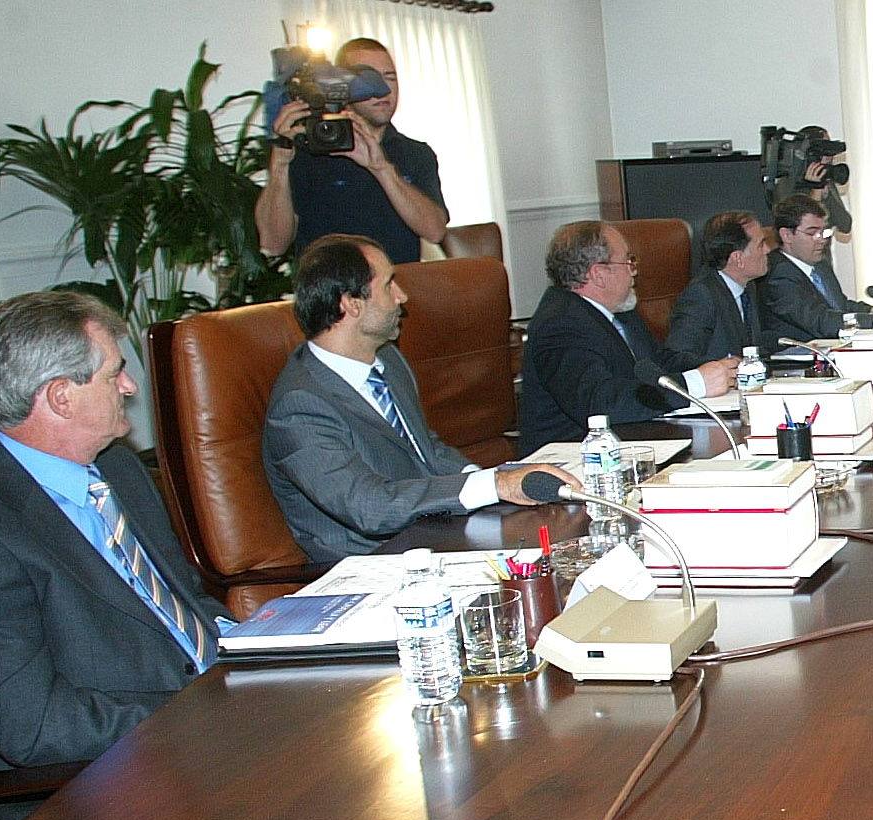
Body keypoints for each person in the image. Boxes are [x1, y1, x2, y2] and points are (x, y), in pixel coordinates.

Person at [0, 291, 234, 820]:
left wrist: (266, 651)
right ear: (60, 397)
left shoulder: (117, 470)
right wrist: (204, 714)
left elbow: (185, 606)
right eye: (114, 374)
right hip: (96, 801)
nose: (129, 387)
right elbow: (31, 727)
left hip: (201, 742)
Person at [263, 235, 576, 561]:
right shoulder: (300, 405)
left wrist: (499, 485)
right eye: (388, 285)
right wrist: (495, 485)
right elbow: (368, 507)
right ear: (351, 303)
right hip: (376, 565)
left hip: (436, 537)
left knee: (570, 544)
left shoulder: (388, 360)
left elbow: (427, 450)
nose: (402, 296)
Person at [518, 221, 737, 451]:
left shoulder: (620, 310)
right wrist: (693, 384)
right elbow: (599, 403)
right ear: (599, 274)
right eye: (628, 262)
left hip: (636, 441)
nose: (635, 271)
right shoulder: (560, 323)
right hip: (576, 461)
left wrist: (718, 368)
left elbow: (659, 362)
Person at [255, 37, 449, 265]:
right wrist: (279, 164)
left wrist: (382, 169)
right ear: (341, 86)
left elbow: (435, 231)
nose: (384, 89)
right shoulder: (308, 151)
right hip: (329, 295)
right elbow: (272, 244)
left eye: (390, 77)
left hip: (392, 293)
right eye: (369, 77)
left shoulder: (415, 154)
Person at [758, 196, 873, 345]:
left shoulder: (820, 265)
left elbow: (839, 306)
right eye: (812, 233)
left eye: (823, 232)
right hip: (797, 364)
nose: (821, 240)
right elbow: (820, 320)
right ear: (786, 235)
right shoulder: (777, 274)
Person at [667, 210, 777, 365]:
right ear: (737, 258)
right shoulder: (701, 295)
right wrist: (719, 368)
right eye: (761, 244)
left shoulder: (747, 286)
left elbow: (751, 347)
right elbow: (676, 358)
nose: (768, 250)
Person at [769, 126, 854, 239]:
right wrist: (816, 190)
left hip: (822, 254)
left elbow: (845, 225)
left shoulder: (826, 179)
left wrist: (826, 193)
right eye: (825, 148)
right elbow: (801, 228)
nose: (831, 155)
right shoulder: (787, 183)